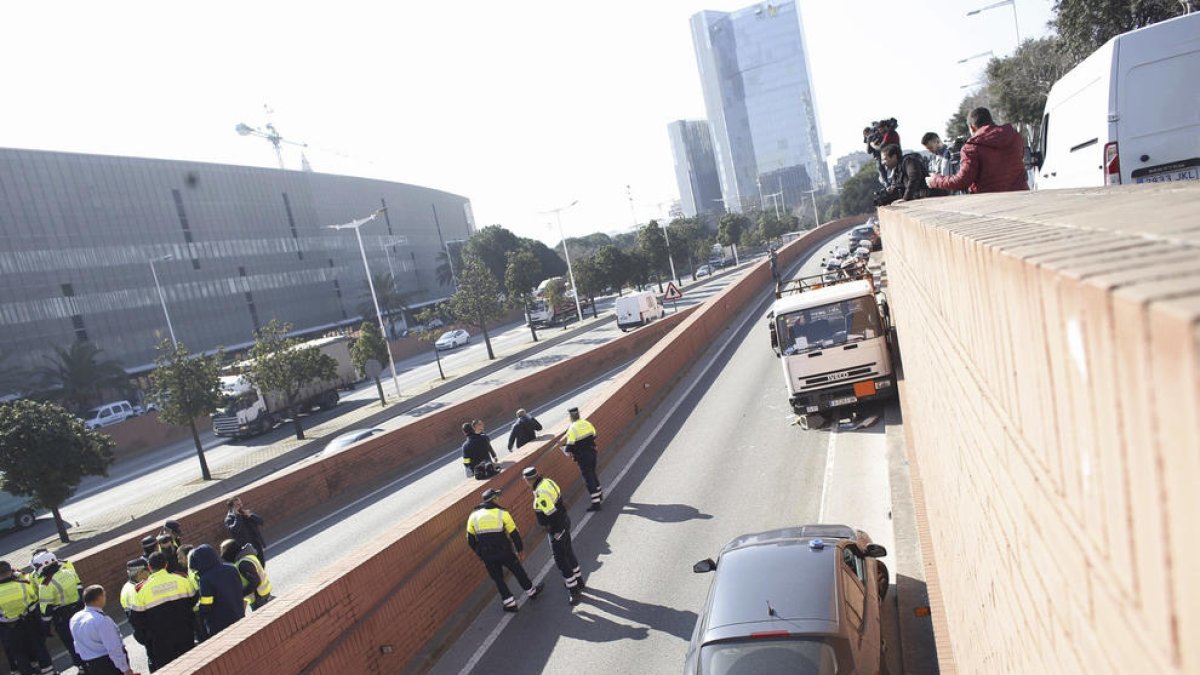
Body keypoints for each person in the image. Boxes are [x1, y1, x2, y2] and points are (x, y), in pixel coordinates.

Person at [465, 488, 543, 613]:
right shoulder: (502, 514)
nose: (499, 499)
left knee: (498, 579)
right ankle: (531, 592)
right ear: (493, 499)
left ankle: (510, 604)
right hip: (505, 552)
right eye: (497, 497)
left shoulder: (473, 516)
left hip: (488, 555)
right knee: (518, 571)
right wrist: (520, 550)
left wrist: (481, 554)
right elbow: (514, 534)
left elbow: (470, 540)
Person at [927, 107, 1029, 194]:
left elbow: (962, 181)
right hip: (1021, 198)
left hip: (990, 203)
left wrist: (935, 181)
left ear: (972, 127)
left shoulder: (972, 147)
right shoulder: (1015, 137)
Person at [523, 467, 584, 605]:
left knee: (561, 560)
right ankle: (579, 581)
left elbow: (551, 514)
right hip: (564, 520)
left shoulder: (540, 493)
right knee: (568, 552)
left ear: (528, 480)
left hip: (557, 528)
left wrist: (557, 532)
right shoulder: (547, 481)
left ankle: (573, 590)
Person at [129, 551, 196, 670]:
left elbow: (136, 621)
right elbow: (193, 601)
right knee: (192, 666)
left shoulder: (139, 590)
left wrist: (149, 638)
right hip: (185, 634)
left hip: (160, 643)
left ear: (149, 567)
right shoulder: (182, 579)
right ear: (166, 564)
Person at [32, 550, 85, 670]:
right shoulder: (69, 572)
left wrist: (46, 628)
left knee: (71, 643)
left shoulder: (45, 585)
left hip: (62, 618)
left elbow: (46, 611)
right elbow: (80, 588)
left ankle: (82, 667)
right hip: (79, 609)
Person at [0, 560, 54, 675]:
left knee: (19, 655)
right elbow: (35, 602)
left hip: (9, 630)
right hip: (29, 623)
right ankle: (49, 672)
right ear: (10, 571)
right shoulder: (23, 584)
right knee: (40, 649)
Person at [69, 585, 134, 675]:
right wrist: (125, 668)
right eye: (104, 595)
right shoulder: (102, 620)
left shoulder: (75, 619)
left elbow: (77, 645)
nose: (105, 598)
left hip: (91, 664)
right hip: (108, 663)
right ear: (98, 598)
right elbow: (113, 647)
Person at [188, 544, 245, 638]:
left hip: (220, 624)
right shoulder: (231, 568)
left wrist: (199, 609)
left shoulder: (205, 580)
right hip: (239, 614)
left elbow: (207, 605)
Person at [875, 144, 949, 206]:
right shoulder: (896, 171)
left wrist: (906, 198)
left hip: (931, 196)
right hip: (921, 198)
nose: (883, 163)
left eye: (884, 159)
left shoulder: (908, 161)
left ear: (894, 156)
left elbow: (914, 177)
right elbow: (897, 188)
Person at [562, 407, 603, 511]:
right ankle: (599, 493)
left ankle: (596, 503)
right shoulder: (587, 423)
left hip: (582, 457)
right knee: (593, 473)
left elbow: (569, 448)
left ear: (570, 417)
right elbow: (594, 435)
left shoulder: (572, 428)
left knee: (588, 479)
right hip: (592, 453)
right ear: (579, 415)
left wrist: (567, 450)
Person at [219, 540, 272, 610]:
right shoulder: (247, 557)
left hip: (259, 598)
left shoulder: (243, 563)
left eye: (224, 553)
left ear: (231, 551)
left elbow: (255, 582)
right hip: (263, 595)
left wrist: (240, 594)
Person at [224, 496, 267, 564]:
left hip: (256, 544)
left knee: (262, 565)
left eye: (241, 503)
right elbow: (235, 530)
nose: (241, 506)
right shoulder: (229, 519)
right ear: (232, 508)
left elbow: (261, 521)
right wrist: (237, 516)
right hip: (246, 549)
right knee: (254, 568)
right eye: (237, 505)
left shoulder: (244, 512)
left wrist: (251, 516)